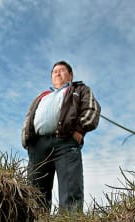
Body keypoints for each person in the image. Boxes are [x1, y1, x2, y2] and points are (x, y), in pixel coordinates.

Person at [21, 61, 101, 213]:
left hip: (65, 141)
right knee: (34, 191)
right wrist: (26, 139)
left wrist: (79, 130)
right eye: (54, 71)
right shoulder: (42, 96)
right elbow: (29, 117)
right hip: (38, 145)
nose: (57, 73)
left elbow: (92, 109)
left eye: (62, 70)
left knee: (70, 188)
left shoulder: (78, 89)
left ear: (70, 76)